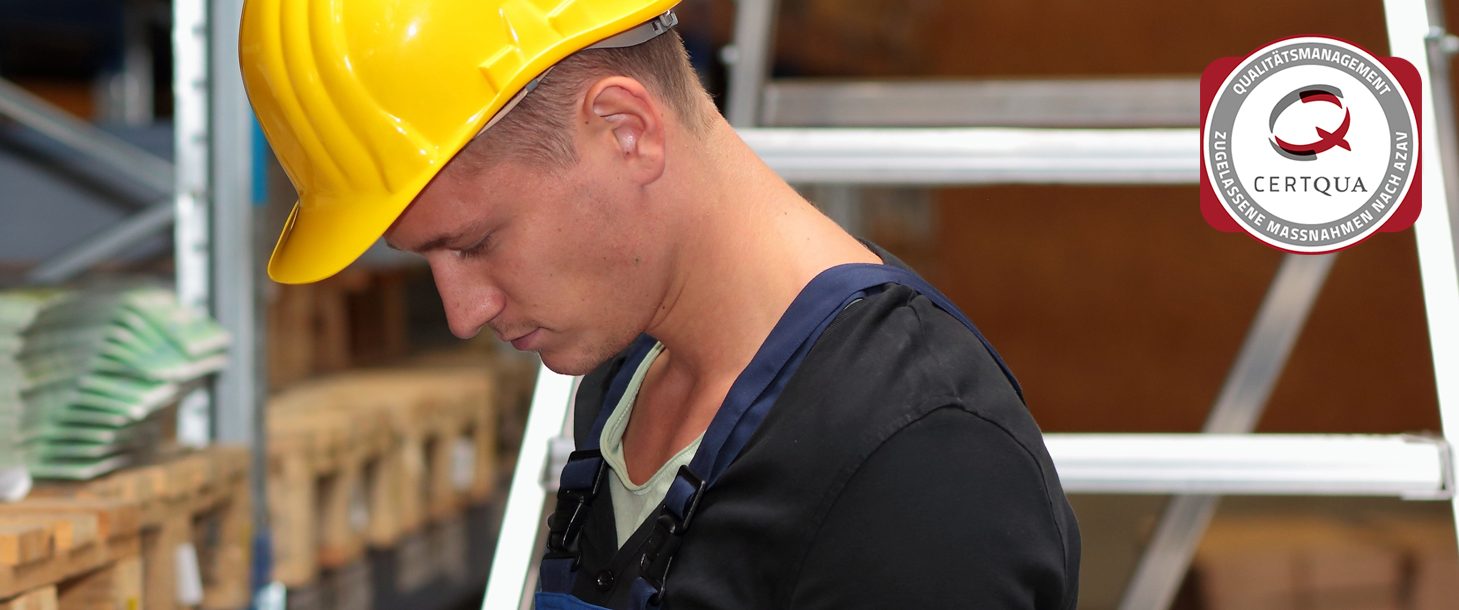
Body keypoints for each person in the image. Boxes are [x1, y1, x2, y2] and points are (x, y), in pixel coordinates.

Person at [239, 1, 1081, 608]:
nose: (460, 312)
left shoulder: (916, 465)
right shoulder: (623, 379)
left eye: (472, 242)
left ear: (625, 130)